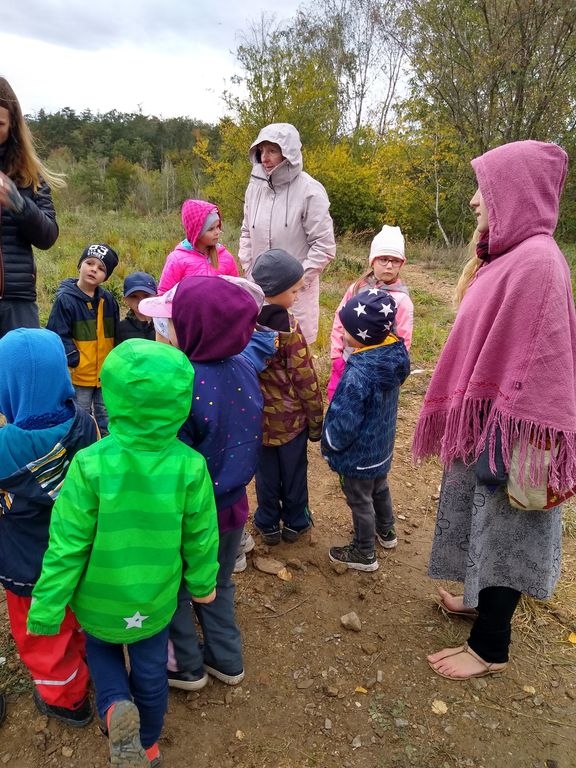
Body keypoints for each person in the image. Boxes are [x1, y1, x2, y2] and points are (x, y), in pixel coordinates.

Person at [412, 140, 576, 680]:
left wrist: (509, 425)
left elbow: (542, 362)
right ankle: (478, 597)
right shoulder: (511, 257)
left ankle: (490, 648)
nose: (474, 201)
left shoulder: (538, 264)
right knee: (482, 518)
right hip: (489, 422)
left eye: (484, 189)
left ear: (515, 192)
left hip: (518, 434)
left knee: (508, 530)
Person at [27, 338, 220, 767]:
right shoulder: (190, 465)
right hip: (154, 597)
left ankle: (116, 709)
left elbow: (66, 543)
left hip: (98, 597)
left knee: (103, 652)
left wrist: (48, 604)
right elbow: (202, 535)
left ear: (111, 395)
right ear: (181, 402)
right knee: (151, 670)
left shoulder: (89, 464)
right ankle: (147, 743)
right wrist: (203, 583)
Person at [139, 275, 263, 690]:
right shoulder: (245, 366)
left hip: (187, 513)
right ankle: (227, 660)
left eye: (170, 322)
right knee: (217, 583)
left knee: (174, 589)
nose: (164, 329)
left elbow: (168, 456)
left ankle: (185, 666)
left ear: (195, 328)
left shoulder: (180, 381)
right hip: (232, 507)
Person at [0, 328, 98, 726]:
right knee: (77, 616)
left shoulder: (4, 446)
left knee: (43, 637)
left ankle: (67, 700)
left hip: (26, 566)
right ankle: (90, 666)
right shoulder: (85, 425)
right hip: (78, 554)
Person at [322, 290, 410, 571]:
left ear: (363, 335)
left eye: (347, 328)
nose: (343, 332)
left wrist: (330, 443)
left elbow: (345, 420)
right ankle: (387, 531)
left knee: (360, 500)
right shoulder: (394, 355)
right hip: (381, 447)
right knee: (380, 488)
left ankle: (364, 552)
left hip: (358, 456)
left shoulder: (358, 373)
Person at [250, 249, 323, 544]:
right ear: (277, 291)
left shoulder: (244, 323)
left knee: (265, 475)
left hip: (259, 421)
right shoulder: (289, 328)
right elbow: (305, 379)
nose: (296, 295)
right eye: (293, 291)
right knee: (293, 473)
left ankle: (267, 522)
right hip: (291, 422)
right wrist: (316, 421)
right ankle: (295, 522)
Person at [238, 123, 336, 345]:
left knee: (295, 352)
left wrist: (295, 283)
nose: (265, 158)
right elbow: (246, 232)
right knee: (259, 349)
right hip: (259, 290)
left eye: (272, 150)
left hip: (296, 296)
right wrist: (251, 272)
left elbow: (324, 246)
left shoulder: (310, 190)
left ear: (288, 152)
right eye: (261, 151)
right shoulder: (254, 188)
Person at [0, 77, 64, 337]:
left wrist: (18, 204)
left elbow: (48, 236)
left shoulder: (29, 174)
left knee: (23, 363)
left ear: (13, 125)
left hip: (17, 301)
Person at [327, 224, 414, 401]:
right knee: (339, 402)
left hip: (377, 371)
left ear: (401, 264)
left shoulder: (402, 300)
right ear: (372, 261)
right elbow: (340, 320)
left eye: (395, 261)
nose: (389, 265)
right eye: (383, 259)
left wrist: (394, 370)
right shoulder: (357, 289)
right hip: (347, 360)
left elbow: (403, 341)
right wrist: (336, 355)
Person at [46, 243, 120, 436]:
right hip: (79, 373)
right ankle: (82, 446)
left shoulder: (108, 300)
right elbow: (57, 333)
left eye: (101, 268)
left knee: (106, 415)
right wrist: (74, 358)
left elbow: (116, 333)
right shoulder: (65, 299)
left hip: (105, 373)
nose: (94, 269)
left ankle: (105, 446)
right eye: (89, 263)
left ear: (106, 276)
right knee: (81, 415)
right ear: (80, 265)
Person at [158, 199, 238, 294]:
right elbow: (164, 294)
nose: (217, 232)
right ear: (196, 232)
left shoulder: (226, 257)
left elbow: (237, 291)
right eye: (211, 229)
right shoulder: (177, 260)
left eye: (218, 226)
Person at [116, 271, 157, 343]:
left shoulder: (164, 324)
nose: (141, 301)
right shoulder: (122, 328)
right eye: (134, 296)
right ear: (125, 300)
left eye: (146, 295)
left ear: (156, 296)